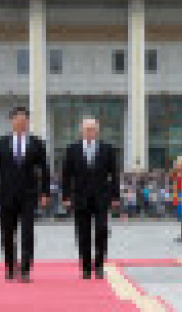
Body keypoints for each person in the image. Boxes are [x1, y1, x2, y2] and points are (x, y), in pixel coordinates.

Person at [0, 106, 51, 282]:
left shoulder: (37, 143)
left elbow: (45, 170)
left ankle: (25, 270)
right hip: (6, 194)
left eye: (24, 120)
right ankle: (9, 266)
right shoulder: (0, 142)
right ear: (12, 121)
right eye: (18, 120)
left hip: (29, 194)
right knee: (7, 232)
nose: (21, 123)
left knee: (27, 232)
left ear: (28, 122)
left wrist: (45, 193)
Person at [61, 117, 120, 279]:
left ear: (97, 131)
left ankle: (100, 265)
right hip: (80, 197)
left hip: (102, 197)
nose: (90, 132)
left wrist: (115, 196)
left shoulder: (107, 148)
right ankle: (86, 267)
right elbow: (66, 175)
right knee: (83, 233)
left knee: (101, 230)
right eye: (87, 129)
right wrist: (66, 195)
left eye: (92, 129)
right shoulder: (72, 149)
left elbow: (114, 174)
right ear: (81, 131)